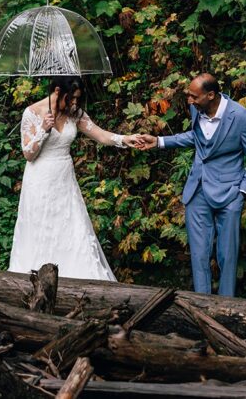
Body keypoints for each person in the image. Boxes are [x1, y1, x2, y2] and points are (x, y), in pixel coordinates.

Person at [8, 75, 145, 278]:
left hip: (64, 180)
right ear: (57, 91)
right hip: (39, 180)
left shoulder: (75, 113)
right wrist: (43, 130)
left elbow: (101, 135)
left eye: (77, 99)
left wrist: (125, 139)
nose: (73, 103)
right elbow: (28, 154)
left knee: (72, 226)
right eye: (70, 98)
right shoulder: (32, 112)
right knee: (41, 227)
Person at [139, 74, 246, 296]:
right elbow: (196, 137)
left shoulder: (242, 117)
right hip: (197, 190)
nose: (189, 100)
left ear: (211, 95)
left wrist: (242, 192)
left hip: (230, 193)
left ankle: (226, 306)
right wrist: (159, 141)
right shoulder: (198, 109)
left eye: (194, 96)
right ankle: (201, 305)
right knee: (198, 254)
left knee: (227, 256)